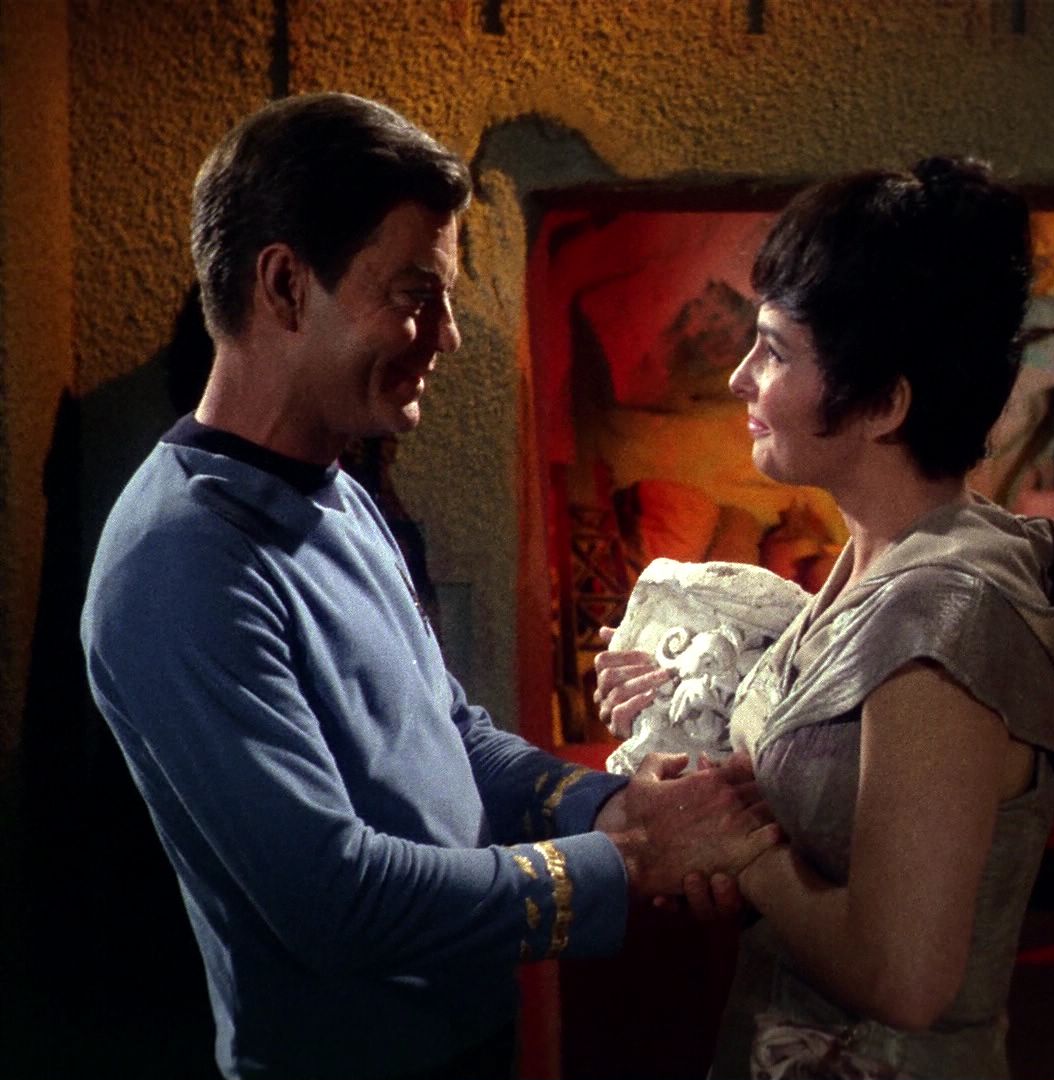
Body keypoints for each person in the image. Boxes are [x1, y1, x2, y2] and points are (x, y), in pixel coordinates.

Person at [80, 92, 777, 1080]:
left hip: (466, 1043)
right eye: (415, 294)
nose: (446, 335)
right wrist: (632, 862)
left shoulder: (339, 494)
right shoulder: (183, 561)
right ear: (285, 286)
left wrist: (607, 804)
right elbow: (335, 900)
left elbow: (450, 733)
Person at [595, 158, 1054, 1078]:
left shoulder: (945, 619)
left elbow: (905, 978)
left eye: (775, 351)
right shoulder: (872, 571)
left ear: (883, 403)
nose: (740, 378)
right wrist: (687, 711)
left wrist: (741, 850)